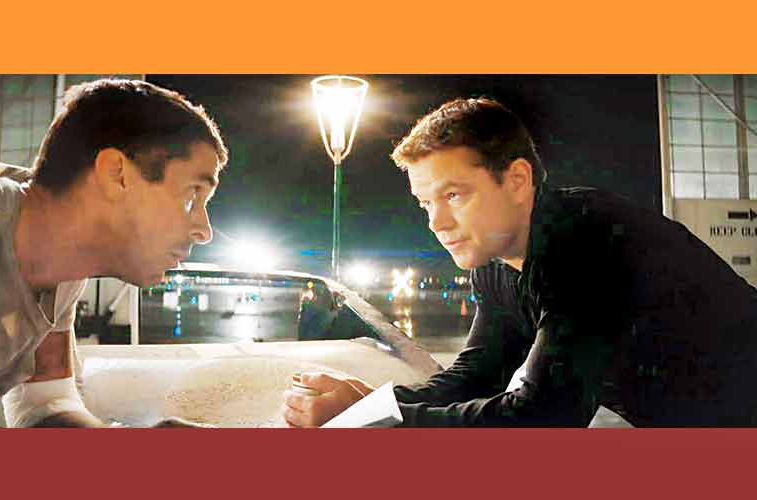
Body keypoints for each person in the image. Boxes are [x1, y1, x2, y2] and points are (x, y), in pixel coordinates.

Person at [283, 97, 757, 427]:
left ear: (516, 180)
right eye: (425, 202)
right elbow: (480, 371)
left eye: (454, 195)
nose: (436, 222)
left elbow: (545, 415)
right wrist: (375, 404)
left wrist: (376, 422)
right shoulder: (495, 262)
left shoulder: (584, 242)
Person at [0, 79, 228, 427]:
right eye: (191, 196)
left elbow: (45, 405)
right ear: (116, 174)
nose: (204, 231)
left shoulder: (64, 263)